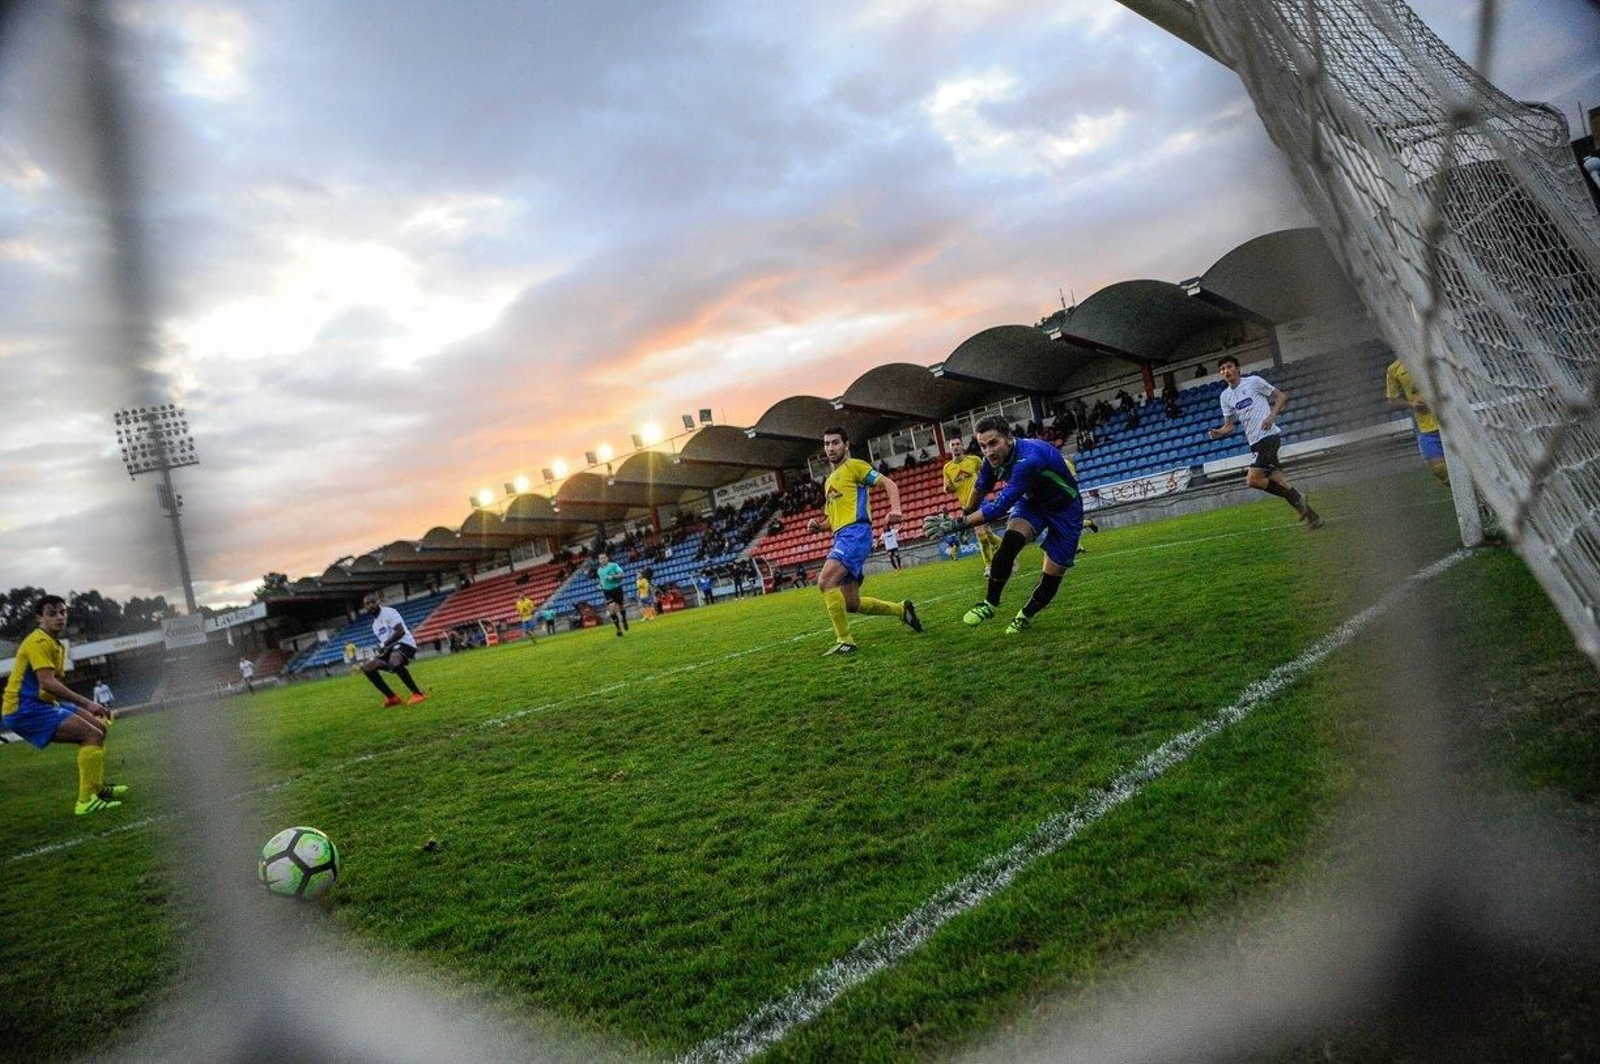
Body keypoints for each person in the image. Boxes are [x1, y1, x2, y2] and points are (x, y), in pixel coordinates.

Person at [923, 416, 1084, 635]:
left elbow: (998, 507)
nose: (988, 451)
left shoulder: (1029, 459)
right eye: (982, 446)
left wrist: (958, 525)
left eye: (993, 443)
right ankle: (989, 604)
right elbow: (981, 487)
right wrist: (967, 514)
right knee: (1009, 543)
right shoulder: (990, 460)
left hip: (1065, 509)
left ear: (1008, 439)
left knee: (1052, 575)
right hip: (1032, 503)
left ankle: (1024, 616)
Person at [2, 595, 127, 815]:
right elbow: (47, 683)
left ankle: (97, 790)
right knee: (91, 736)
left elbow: (49, 687)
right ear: (39, 617)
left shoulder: (56, 645)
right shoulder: (38, 641)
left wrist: (77, 707)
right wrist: (87, 703)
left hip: (41, 704)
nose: (59, 617)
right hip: (23, 709)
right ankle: (85, 801)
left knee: (99, 729)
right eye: (52, 613)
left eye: (63, 612)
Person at [807, 426, 921, 656]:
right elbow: (832, 518)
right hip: (842, 535)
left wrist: (896, 508)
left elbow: (889, 484)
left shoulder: (855, 466)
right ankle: (901, 610)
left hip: (855, 533)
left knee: (825, 581)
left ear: (846, 445)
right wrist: (819, 526)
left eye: (835, 443)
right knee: (851, 603)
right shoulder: (829, 481)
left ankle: (845, 640)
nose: (830, 448)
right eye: (827, 444)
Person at [1207, 355, 1324, 529]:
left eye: (1229, 366)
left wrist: (1271, 416)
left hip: (1268, 437)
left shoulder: (1253, 382)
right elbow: (1229, 426)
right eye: (1223, 369)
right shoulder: (1225, 397)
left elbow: (1281, 397)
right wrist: (1218, 432)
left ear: (1237, 368)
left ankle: (1298, 497)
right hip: (1254, 443)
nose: (1226, 371)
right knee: (1281, 482)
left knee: (1252, 479)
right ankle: (1314, 518)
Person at [943, 434, 1002, 574]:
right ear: (950, 449)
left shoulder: (974, 460)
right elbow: (948, 488)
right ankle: (1008, 552)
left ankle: (989, 566)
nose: (956, 447)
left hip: (980, 501)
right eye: (953, 445)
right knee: (986, 533)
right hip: (966, 506)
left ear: (962, 446)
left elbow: (987, 472)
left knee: (982, 534)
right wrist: (947, 488)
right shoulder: (947, 468)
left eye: (958, 444)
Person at [1385, 357, 1449, 485]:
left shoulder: (1434, 354)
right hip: (1425, 425)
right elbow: (1392, 401)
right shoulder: (1394, 369)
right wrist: (1411, 404)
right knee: (1439, 469)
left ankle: (1480, 495)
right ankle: (1469, 497)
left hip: (1449, 419)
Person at [359, 593, 427, 707]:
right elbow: (386, 644)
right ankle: (392, 698)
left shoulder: (389, 612)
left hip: (406, 643)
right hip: (391, 648)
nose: (370, 605)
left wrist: (383, 645)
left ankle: (418, 694)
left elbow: (400, 632)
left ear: (378, 602)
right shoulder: (375, 625)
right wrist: (381, 652)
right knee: (367, 667)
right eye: (367, 603)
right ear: (365, 606)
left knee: (394, 660)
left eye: (373, 602)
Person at [596, 553, 629, 636]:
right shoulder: (599, 570)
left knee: (621, 607)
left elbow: (622, 574)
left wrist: (613, 577)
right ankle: (618, 629)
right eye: (601, 558)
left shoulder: (614, 565)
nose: (603, 559)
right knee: (612, 608)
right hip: (607, 591)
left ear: (607, 558)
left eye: (604, 557)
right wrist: (600, 585)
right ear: (599, 560)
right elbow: (602, 580)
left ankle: (624, 619)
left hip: (616, 588)